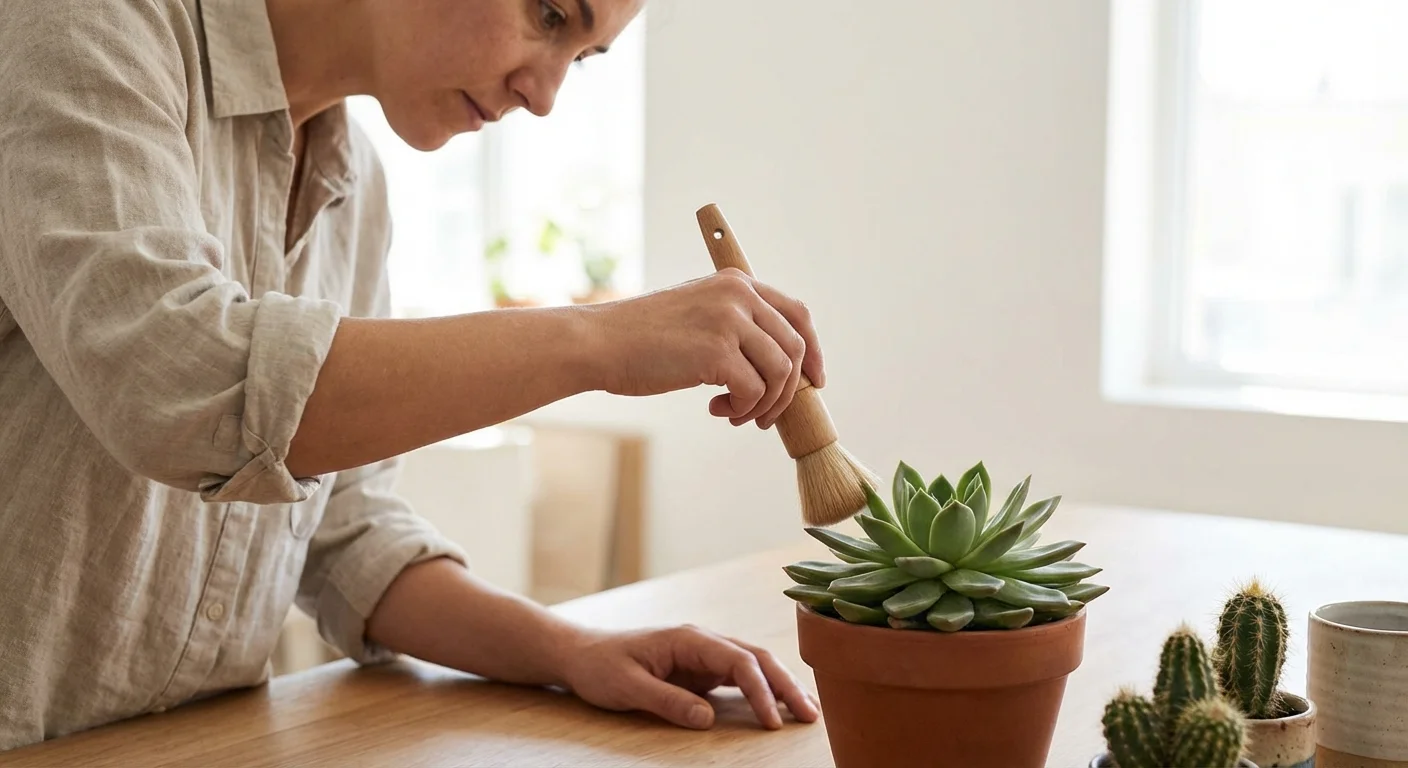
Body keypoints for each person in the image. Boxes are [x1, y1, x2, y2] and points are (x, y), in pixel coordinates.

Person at [0, 0, 826, 752]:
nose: (545, 96)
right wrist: (597, 342)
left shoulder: (354, 189)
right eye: (548, 15)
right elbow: (175, 385)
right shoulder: (78, 26)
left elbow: (344, 526)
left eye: (585, 57)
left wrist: (572, 651)